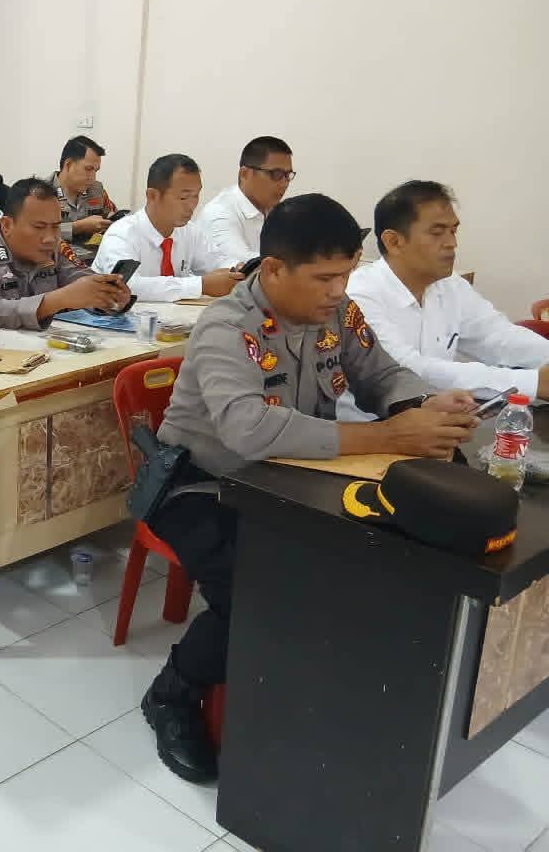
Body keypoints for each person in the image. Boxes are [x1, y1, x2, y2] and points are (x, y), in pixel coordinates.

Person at [141, 193, 478, 784]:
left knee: (373, 554)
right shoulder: (227, 326)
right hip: (201, 485)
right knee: (259, 588)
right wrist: (389, 436)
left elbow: (382, 373)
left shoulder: (337, 312)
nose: (337, 291)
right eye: (324, 278)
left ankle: (307, 676)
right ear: (274, 269)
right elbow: (248, 430)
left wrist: (421, 407)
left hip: (290, 478)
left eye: (345, 275)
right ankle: (172, 694)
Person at [346, 180, 549, 402]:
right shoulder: (360, 295)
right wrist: (533, 382)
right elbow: (407, 370)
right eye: (437, 233)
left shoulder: (449, 284)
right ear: (393, 241)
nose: (452, 243)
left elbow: (498, 336)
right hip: (377, 420)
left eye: (453, 231)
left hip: (437, 414)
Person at [0, 177, 132, 328]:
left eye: (56, 227)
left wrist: (108, 297)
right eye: (39, 227)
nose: (50, 238)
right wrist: (57, 300)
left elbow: (81, 279)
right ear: (7, 225)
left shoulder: (55, 247)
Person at [92, 154, 245, 301]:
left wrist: (236, 268)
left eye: (196, 196)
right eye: (183, 197)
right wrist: (200, 285)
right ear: (152, 196)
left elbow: (217, 261)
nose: (191, 205)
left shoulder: (190, 232)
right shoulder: (121, 234)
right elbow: (126, 285)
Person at [197, 136, 295, 265]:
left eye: (287, 175)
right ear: (244, 174)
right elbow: (245, 265)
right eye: (276, 174)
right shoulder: (219, 213)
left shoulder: (275, 210)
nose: (284, 183)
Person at [51, 135, 120, 242]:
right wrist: (78, 227)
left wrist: (112, 220)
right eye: (88, 169)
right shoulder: (41, 194)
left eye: (95, 171)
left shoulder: (97, 189)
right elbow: (38, 234)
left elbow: (111, 214)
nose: (93, 178)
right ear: (68, 165)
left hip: (94, 251)